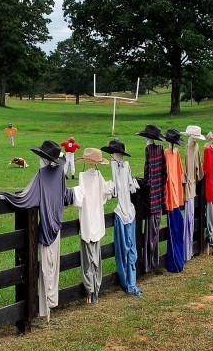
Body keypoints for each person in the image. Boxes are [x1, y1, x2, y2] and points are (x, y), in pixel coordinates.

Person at [0, 140, 73, 322]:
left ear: (44, 159)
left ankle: (45, 308)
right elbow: (65, 196)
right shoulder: (60, 174)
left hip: (46, 228)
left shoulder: (41, 175)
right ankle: (50, 305)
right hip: (57, 226)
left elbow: (26, 196)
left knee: (46, 270)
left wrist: (7, 197)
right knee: (53, 269)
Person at [71, 148, 114, 305]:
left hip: (87, 220)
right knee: (96, 255)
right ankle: (94, 289)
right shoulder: (98, 176)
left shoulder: (83, 176)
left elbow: (79, 197)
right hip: (97, 219)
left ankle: (90, 290)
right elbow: (105, 192)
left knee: (87, 257)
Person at [101, 138, 142, 296]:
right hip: (126, 210)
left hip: (127, 211)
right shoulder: (117, 165)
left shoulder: (124, 166)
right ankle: (129, 282)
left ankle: (130, 282)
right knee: (127, 249)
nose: (112, 156)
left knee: (128, 249)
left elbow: (118, 189)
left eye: (112, 153)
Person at [137, 124, 166, 273]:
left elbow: (148, 175)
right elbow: (164, 173)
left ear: (148, 138)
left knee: (148, 234)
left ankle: (148, 263)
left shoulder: (148, 150)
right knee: (156, 230)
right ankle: (155, 261)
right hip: (160, 197)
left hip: (150, 198)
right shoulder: (161, 150)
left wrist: (141, 182)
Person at [180, 125, 205, 263]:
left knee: (188, 219)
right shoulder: (194, 147)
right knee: (188, 219)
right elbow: (199, 170)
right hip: (191, 184)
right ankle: (187, 251)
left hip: (188, 185)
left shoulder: (192, 147)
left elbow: (197, 168)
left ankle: (186, 251)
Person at [163, 128, 186, 273]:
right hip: (173, 198)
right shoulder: (169, 154)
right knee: (176, 230)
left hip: (174, 197)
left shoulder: (172, 154)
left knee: (176, 229)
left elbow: (178, 173)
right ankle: (174, 263)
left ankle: (175, 262)